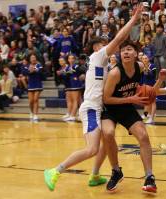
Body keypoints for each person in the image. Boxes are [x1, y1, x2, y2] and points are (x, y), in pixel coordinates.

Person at [43, 4, 144, 191]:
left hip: (99, 107)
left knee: (108, 140)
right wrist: (133, 19)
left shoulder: (103, 64)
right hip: (91, 108)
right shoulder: (98, 56)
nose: (110, 46)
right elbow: (120, 37)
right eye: (106, 43)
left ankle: (95, 175)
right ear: (97, 46)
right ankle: (55, 170)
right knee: (92, 149)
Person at [102, 40, 157, 193]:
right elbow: (105, 99)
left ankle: (149, 177)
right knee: (108, 133)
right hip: (109, 108)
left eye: (129, 49)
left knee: (144, 136)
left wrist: (142, 95)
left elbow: (140, 89)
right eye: (123, 50)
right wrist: (131, 99)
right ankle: (116, 171)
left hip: (126, 107)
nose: (125, 52)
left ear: (136, 54)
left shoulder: (140, 66)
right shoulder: (115, 73)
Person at [23, 54, 43, 122]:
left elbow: (40, 72)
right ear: (30, 59)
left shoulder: (39, 65)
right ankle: (31, 112)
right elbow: (25, 72)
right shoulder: (27, 65)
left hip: (38, 84)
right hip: (31, 84)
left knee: (35, 99)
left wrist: (33, 70)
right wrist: (30, 71)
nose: (33, 58)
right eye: (32, 57)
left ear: (36, 58)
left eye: (34, 57)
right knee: (31, 101)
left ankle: (35, 114)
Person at [141, 54, 157, 124]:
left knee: (153, 102)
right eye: (143, 58)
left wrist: (147, 70)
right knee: (146, 101)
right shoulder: (141, 67)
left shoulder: (152, 66)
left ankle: (151, 118)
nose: (144, 60)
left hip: (152, 86)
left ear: (148, 59)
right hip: (145, 86)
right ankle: (146, 114)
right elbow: (142, 77)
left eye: (146, 58)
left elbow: (153, 76)